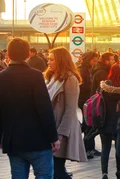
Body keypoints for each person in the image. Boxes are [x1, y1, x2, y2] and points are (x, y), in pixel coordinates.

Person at [0, 38, 60, 179]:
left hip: (14, 141)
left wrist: (1, 137)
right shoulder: (35, 76)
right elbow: (44, 109)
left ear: (8, 55)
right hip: (38, 140)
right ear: (28, 54)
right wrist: (53, 137)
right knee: (44, 175)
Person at [45, 47, 88, 178]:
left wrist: (61, 133)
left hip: (62, 128)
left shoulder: (70, 79)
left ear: (61, 60)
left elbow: (70, 108)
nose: (48, 62)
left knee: (56, 169)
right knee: (54, 168)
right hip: (51, 127)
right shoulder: (51, 77)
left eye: (51, 59)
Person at [98, 80, 120, 179]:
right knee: (118, 149)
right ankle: (119, 171)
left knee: (105, 148)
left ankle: (104, 173)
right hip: (118, 126)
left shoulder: (101, 95)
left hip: (104, 125)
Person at [78, 51, 99, 159]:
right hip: (84, 100)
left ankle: (90, 147)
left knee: (89, 123)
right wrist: (92, 87)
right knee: (88, 123)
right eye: (93, 60)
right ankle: (87, 148)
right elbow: (82, 85)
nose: (94, 62)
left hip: (88, 99)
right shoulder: (83, 70)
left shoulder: (88, 69)